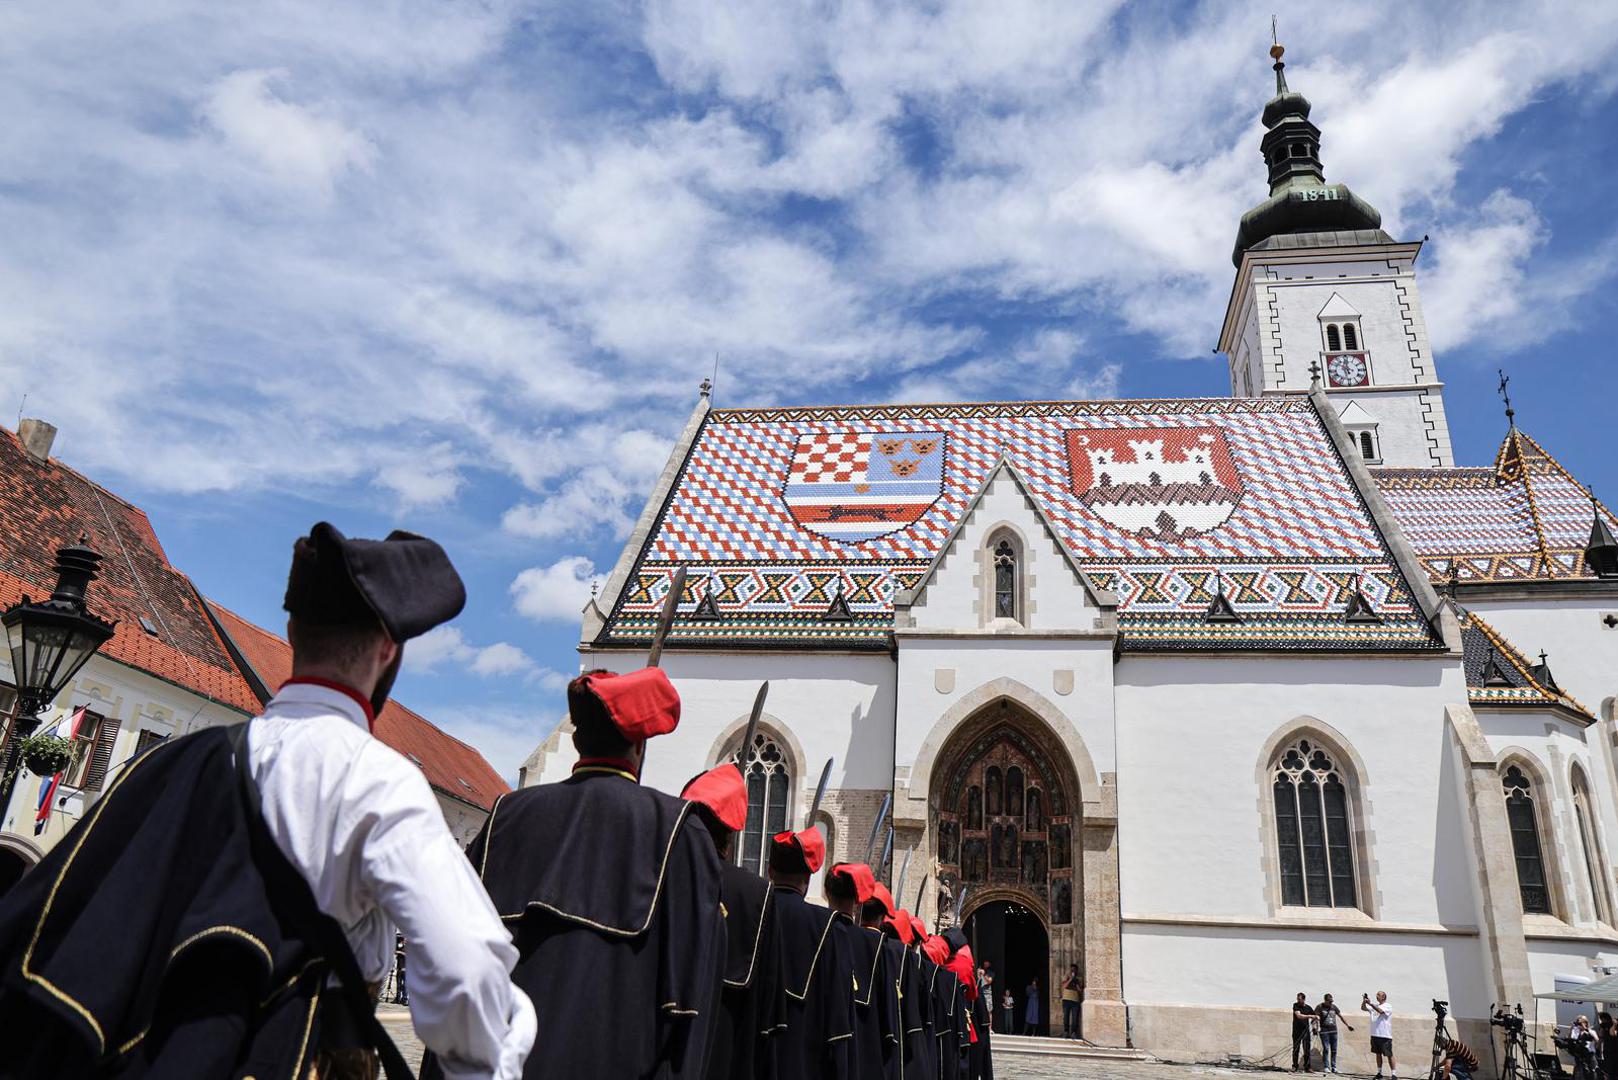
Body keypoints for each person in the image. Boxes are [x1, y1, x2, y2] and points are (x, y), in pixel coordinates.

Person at [0, 522, 537, 1079]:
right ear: (387, 650)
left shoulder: (172, 760)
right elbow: (468, 970)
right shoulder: (376, 782)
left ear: (292, 630)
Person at [426, 666, 725, 1079]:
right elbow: (687, 1002)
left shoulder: (505, 816)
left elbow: (454, 962)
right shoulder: (676, 830)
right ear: (639, 745)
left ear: (578, 739)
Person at [682, 762, 784, 1080]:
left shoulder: (655, 871)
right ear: (733, 832)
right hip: (725, 1051)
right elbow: (770, 1014)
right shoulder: (755, 893)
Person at [770, 828, 856, 1080]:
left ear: (770, 871)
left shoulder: (748, 907)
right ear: (808, 879)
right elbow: (838, 1024)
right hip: (803, 1060)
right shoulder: (828, 927)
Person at [826, 863, 891, 1080]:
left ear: (826, 892)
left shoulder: (816, 927)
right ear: (858, 900)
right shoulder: (876, 944)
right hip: (864, 1048)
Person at [1362, 991, 1396, 1079]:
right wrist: (1364, 1002)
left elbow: (1380, 1011)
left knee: (1389, 1054)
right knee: (1378, 1054)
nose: (1376, 996)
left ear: (1383, 997)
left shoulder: (1388, 1006)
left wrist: (1371, 1004)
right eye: (1376, 994)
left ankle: (1393, 1074)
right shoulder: (1374, 1006)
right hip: (1375, 1034)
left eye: (1378, 995)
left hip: (1385, 1035)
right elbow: (1363, 1008)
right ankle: (1379, 1072)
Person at [1315, 992, 1352, 1074]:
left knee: (1334, 1050)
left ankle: (1334, 1067)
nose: (1331, 1003)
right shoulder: (1319, 1007)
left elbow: (1341, 1016)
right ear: (1325, 1000)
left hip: (1333, 1031)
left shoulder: (1334, 1007)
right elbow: (1316, 1017)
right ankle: (1326, 1067)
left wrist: (1347, 1025)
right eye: (1329, 1001)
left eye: (1332, 1001)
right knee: (1326, 1049)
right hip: (1324, 1031)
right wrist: (1317, 1027)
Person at [1570, 1015, 1601, 1080]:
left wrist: (1586, 1029)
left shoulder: (1591, 1031)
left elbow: (1597, 1040)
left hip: (1589, 1056)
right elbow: (1571, 1039)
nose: (1579, 1024)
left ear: (1586, 1023)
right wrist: (1571, 1028)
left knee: (1593, 1072)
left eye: (1581, 1022)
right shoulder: (1576, 1032)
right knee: (1578, 1073)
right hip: (1579, 1055)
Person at [1291, 991, 1316, 1072]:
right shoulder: (1295, 1005)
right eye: (1297, 999)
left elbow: (1314, 1018)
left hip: (1305, 1031)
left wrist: (1314, 1027)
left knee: (1306, 1049)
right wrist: (1310, 1016)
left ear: (1304, 999)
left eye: (1299, 999)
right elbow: (1298, 1016)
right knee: (1296, 1049)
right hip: (1296, 1031)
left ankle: (1307, 1067)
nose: (1298, 1000)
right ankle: (1294, 1066)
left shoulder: (1308, 1008)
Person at [1062, 964, 1082, 1039]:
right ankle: (1066, 1032)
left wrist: (1075, 981)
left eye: (1074, 969)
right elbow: (1065, 986)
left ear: (1077, 970)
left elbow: (1080, 990)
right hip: (1066, 999)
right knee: (1066, 1017)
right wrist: (1070, 979)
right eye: (1071, 969)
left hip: (1075, 1000)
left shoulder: (1079, 978)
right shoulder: (1066, 976)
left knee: (1075, 1018)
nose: (1072, 971)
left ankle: (1073, 1032)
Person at [1599, 1012, 1618, 1080]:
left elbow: (1613, 1034)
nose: (1602, 1021)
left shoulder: (1614, 1024)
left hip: (1615, 1051)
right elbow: (1601, 1036)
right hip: (1607, 1051)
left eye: (1602, 1019)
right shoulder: (1603, 1026)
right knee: (1608, 1070)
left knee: (1614, 1070)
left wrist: (1614, 1025)